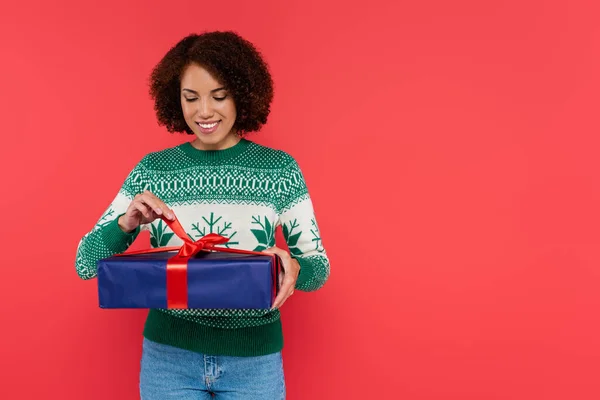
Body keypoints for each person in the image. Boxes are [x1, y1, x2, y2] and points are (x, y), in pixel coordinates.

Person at [75, 31, 330, 399]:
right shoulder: (153, 171)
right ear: (174, 99)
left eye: (219, 96)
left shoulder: (280, 170)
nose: (204, 111)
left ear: (242, 95)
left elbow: (318, 268)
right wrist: (125, 225)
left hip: (253, 363)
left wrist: (294, 267)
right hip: (168, 361)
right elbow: (86, 263)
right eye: (190, 98)